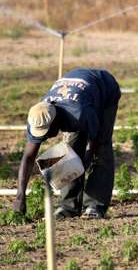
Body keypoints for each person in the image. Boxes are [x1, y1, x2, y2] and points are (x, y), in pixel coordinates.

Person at [13, 68, 121, 219]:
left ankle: (94, 206)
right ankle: (68, 207)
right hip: (80, 94)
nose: (46, 136)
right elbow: (28, 158)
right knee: (68, 151)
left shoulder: (78, 113)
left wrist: (81, 165)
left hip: (104, 89)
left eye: (47, 131)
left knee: (101, 149)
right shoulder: (37, 116)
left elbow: (94, 142)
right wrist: (20, 197)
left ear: (56, 121)